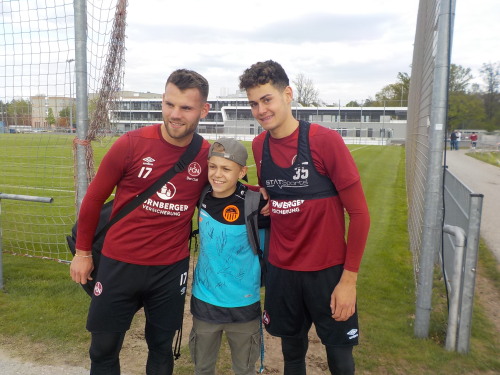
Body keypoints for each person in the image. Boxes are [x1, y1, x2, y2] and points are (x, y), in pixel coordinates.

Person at [70, 69, 212, 375]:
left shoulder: (205, 155)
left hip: (169, 269)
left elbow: (229, 191)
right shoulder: (131, 144)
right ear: (162, 100)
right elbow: (94, 200)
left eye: (186, 108)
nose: (175, 115)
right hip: (118, 264)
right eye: (169, 104)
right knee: (103, 349)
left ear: (203, 110)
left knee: (161, 347)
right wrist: (82, 253)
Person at [239, 60, 370, 375]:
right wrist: (262, 198)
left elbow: (360, 214)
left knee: (340, 360)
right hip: (282, 271)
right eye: (253, 103)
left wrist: (348, 280)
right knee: (292, 354)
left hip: (327, 272)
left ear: (287, 94)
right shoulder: (260, 146)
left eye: (266, 99)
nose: (260, 110)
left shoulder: (325, 142)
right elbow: (275, 193)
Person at [189, 138, 269, 375]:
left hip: (244, 304)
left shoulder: (256, 203)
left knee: (244, 370)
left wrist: (268, 194)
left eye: (226, 168)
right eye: (212, 167)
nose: (217, 175)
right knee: (202, 368)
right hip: (205, 303)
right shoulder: (201, 196)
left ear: (242, 171)